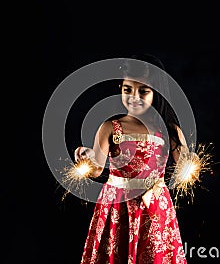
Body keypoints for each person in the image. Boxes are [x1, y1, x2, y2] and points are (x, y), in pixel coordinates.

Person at [74, 54, 189, 264]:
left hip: (154, 206)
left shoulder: (169, 131)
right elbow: (97, 169)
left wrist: (189, 161)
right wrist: (86, 158)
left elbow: (184, 167)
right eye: (128, 90)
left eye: (143, 91)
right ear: (121, 88)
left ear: (156, 92)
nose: (134, 96)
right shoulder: (110, 127)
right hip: (117, 206)